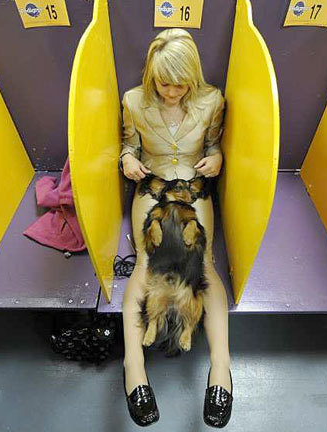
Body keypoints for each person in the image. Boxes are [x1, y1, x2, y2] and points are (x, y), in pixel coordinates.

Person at [119, 28, 232, 428]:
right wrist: (127, 161)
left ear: (193, 77)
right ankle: (133, 366)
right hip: (151, 184)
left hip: (193, 185)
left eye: (180, 84)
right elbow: (129, 147)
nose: (172, 91)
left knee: (204, 265)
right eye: (164, 83)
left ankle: (221, 368)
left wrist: (215, 160)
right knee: (144, 267)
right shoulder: (133, 100)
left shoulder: (212, 99)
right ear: (153, 75)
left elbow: (214, 145)